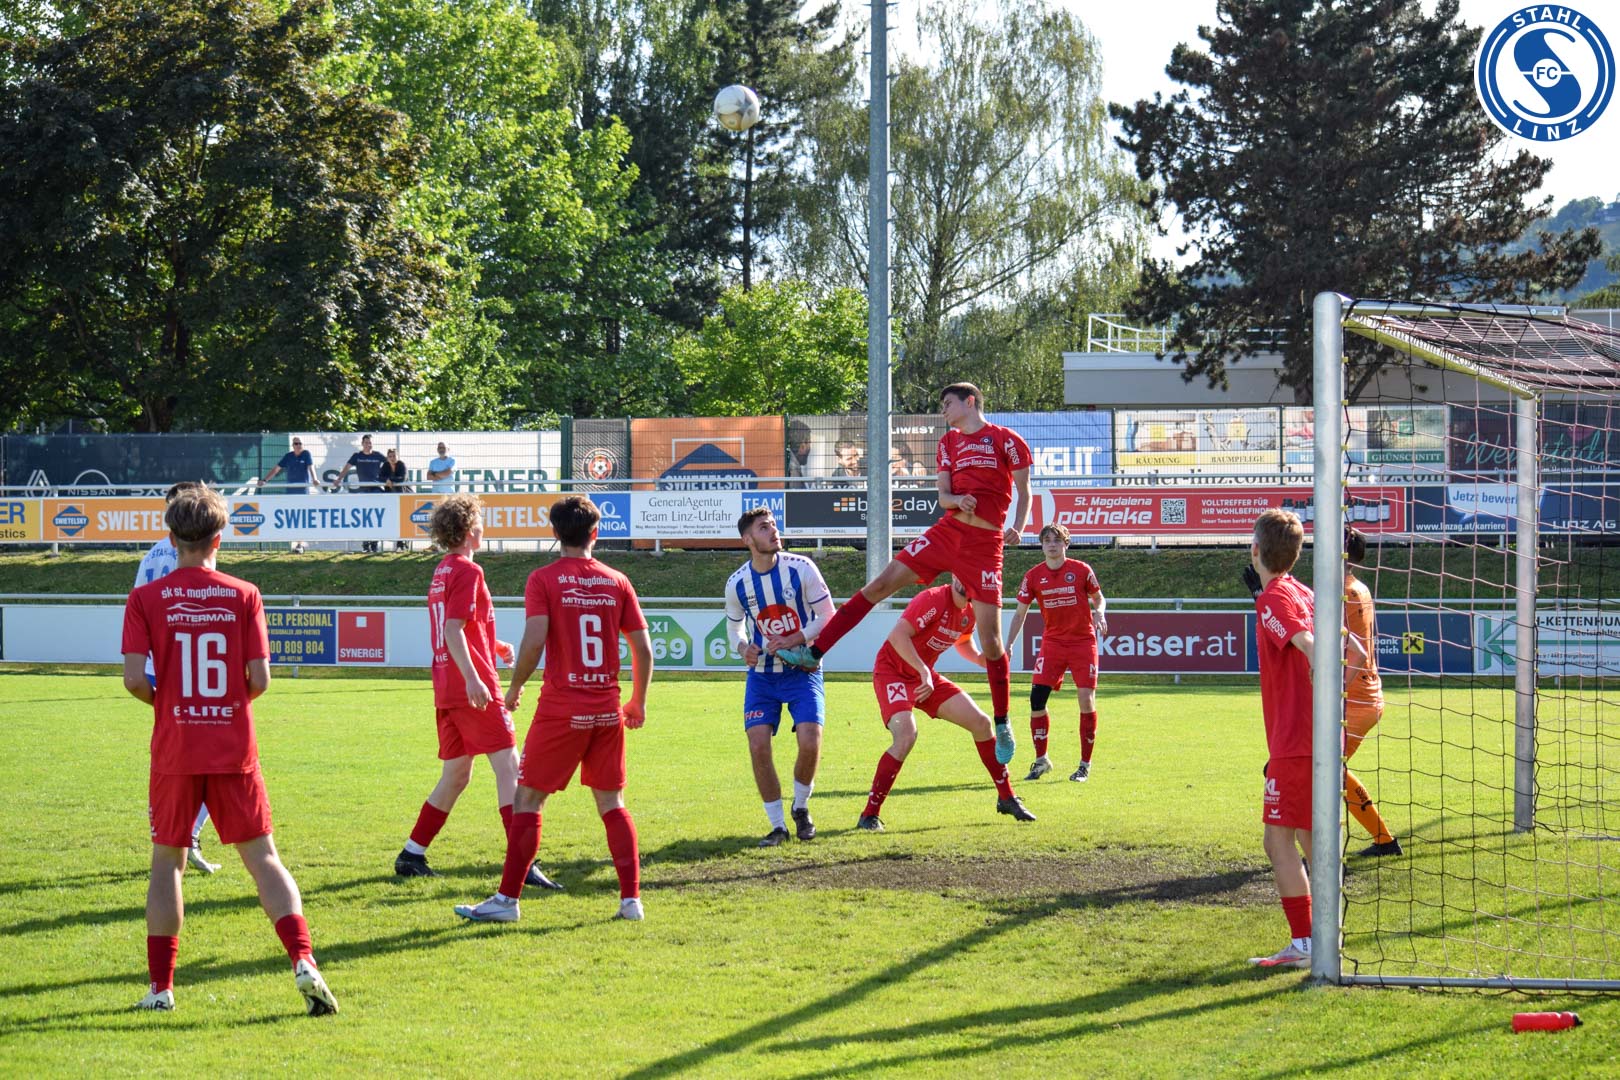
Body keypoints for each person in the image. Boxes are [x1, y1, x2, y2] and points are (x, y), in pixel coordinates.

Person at [120, 485, 338, 1014]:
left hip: (176, 747)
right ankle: (303, 959)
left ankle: (161, 988)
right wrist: (226, 706)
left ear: (172, 538)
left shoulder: (146, 598)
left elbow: (133, 680)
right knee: (263, 859)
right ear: (220, 539)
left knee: (167, 862)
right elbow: (259, 679)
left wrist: (173, 705)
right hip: (233, 748)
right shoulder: (245, 594)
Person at [774, 383, 1031, 768]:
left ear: (970, 401)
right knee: (879, 585)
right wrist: (957, 500)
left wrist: (1019, 527)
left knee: (992, 642)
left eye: (948, 403)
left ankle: (1003, 721)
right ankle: (814, 652)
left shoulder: (1007, 440)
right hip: (948, 531)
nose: (944, 410)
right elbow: (942, 496)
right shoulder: (948, 443)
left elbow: (1025, 490)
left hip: (985, 544)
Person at [455, 496, 653, 923]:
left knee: (527, 799)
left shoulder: (544, 579)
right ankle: (630, 901)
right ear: (595, 533)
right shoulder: (617, 581)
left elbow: (534, 640)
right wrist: (638, 700)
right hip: (607, 710)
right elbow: (643, 648)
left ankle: (507, 901)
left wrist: (514, 687)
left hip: (562, 709)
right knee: (612, 802)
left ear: (555, 533)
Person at [394, 495, 561, 891]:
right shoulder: (468, 570)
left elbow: (459, 628)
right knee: (509, 767)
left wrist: (493, 646)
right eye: (480, 522)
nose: (484, 528)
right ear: (470, 530)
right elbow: (452, 630)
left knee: (456, 774)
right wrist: (474, 678)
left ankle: (411, 854)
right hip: (470, 686)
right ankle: (523, 862)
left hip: (446, 685)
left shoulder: (443, 569)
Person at [857, 575, 1036, 830]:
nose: (964, 580)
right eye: (960, 574)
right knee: (906, 735)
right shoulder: (932, 599)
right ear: (953, 575)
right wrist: (923, 670)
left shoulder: (971, 611)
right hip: (893, 673)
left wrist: (981, 659)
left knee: (982, 723)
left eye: (969, 575)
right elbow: (898, 636)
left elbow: (963, 641)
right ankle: (869, 815)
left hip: (924, 677)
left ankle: (1006, 797)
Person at [724, 508, 832, 846]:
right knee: (758, 745)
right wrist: (743, 648)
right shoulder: (737, 583)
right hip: (762, 677)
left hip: (802, 670)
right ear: (747, 539)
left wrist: (796, 638)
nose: (773, 531)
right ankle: (777, 826)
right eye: (763, 527)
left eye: (773, 525)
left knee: (810, 741)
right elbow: (734, 628)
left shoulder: (802, 568)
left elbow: (828, 615)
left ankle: (800, 807)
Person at [1244, 508, 1317, 970]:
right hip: (1314, 736)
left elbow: (1310, 644)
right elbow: (1351, 648)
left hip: (1294, 741)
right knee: (1312, 839)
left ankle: (1306, 943)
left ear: (1256, 550)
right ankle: (1324, 935)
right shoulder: (1304, 592)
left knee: (1277, 842)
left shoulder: (1274, 598)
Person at [134, 481, 219, 875]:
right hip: (193, 663)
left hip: (159, 663)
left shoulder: (151, 554)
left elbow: (137, 607)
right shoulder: (197, 553)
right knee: (211, 756)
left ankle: (173, 835)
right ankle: (186, 835)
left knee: (175, 754)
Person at [1006, 523, 1108, 783]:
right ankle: (1042, 761)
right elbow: (1019, 614)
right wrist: (1008, 644)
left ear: (1066, 544)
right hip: (1053, 643)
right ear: (1041, 545)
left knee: (1086, 700)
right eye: (1047, 540)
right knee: (1036, 700)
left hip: (1082, 643)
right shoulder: (1033, 576)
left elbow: (1099, 598)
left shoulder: (1081, 570)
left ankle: (1084, 765)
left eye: (1057, 540)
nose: (1052, 544)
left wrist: (1099, 612)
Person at [1342, 526, 1401, 857]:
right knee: (1323, 770)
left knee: (1320, 771)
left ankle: (1383, 841)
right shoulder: (1358, 587)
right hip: (1364, 696)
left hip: (1354, 700)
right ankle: (1383, 841)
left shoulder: (1343, 593)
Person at [333, 434, 387, 552]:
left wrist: (391, 477)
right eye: (366, 442)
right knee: (365, 517)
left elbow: (391, 464)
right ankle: (365, 543)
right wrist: (339, 479)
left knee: (376, 517)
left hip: (376, 489)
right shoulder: (357, 456)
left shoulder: (378, 455)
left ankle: (374, 543)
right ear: (362, 444)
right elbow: (346, 468)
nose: (368, 445)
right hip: (363, 490)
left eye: (370, 442)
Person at [381, 448, 412, 549]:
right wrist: (386, 480)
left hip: (404, 496)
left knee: (404, 519)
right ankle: (397, 542)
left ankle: (404, 542)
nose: (392, 458)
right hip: (391, 497)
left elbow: (402, 478)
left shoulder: (401, 465)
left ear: (397, 456)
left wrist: (390, 480)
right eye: (390, 456)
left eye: (394, 456)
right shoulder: (385, 465)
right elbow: (379, 477)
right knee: (394, 519)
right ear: (387, 457)